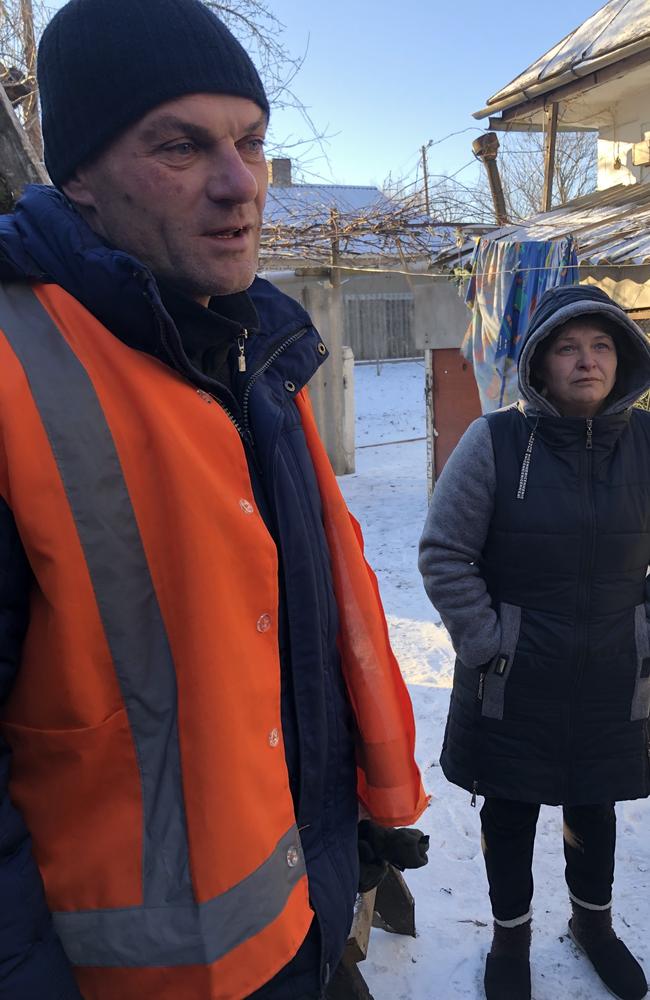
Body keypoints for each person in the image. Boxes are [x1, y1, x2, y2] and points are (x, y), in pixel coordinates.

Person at [0, 2, 428, 998]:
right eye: (180, 146)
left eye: (250, 141)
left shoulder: (249, 350)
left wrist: (347, 841)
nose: (242, 184)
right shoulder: (19, 366)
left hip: (297, 916)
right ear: (78, 176)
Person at [419, 284, 650, 1000]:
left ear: (625, 358)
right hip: (513, 674)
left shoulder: (647, 442)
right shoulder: (497, 442)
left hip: (612, 670)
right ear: (541, 365)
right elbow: (443, 552)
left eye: (603, 345)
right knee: (513, 807)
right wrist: (490, 643)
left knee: (595, 802)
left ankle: (594, 925)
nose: (588, 361)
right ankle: (510, 938)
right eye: (568, 347)